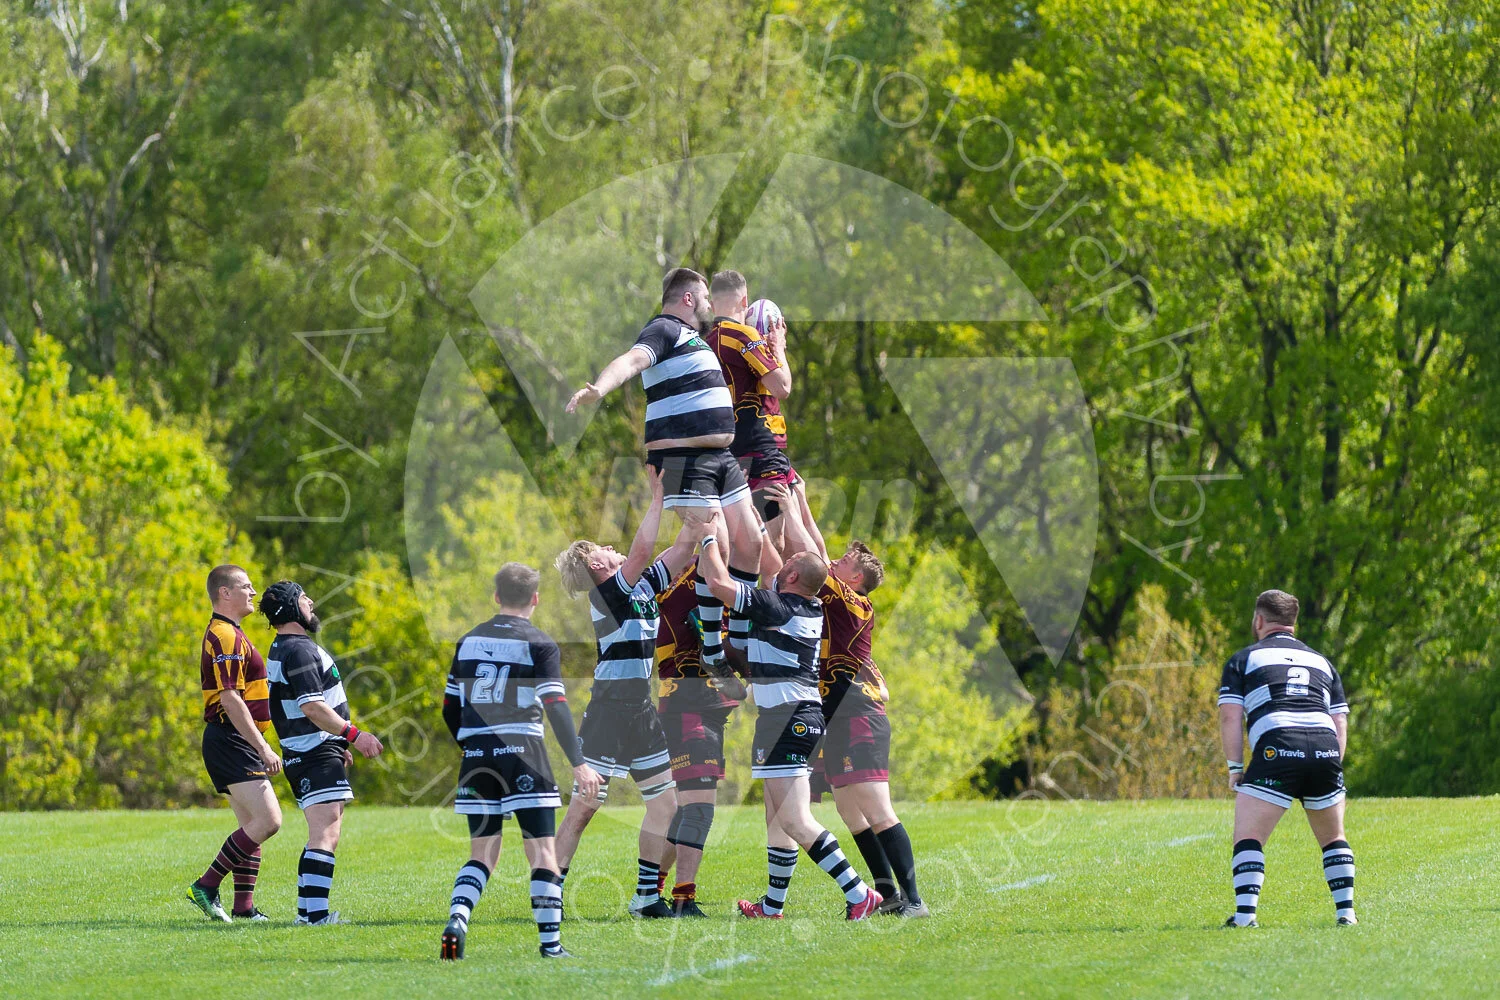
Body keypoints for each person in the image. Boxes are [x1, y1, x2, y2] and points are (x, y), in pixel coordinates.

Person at [564, 267, 766, 682]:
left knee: (752, 545)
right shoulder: (665, 329)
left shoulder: (695, 340)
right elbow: (633, 360)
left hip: (722, 456)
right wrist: (600, 389)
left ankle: (738, 643)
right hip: (684, 459)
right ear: (688, 299)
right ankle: (713, 649)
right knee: (718, 548)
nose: (710, 306)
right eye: (706, 298)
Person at [694, 510, 882, 921]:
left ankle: (858, 894)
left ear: (794, 577)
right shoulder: (801, 607)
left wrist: (707, 538)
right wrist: (759, 522)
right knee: (778, 817)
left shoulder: (776, 606)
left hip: (788, 718)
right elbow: (768, 565)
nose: (779, 567)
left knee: (795, 819)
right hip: (792, 717)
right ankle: (772, 906)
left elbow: (719, 584)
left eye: (787, 566)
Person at [765, 484, 926, 916]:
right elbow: (816, 547)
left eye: (844, 564)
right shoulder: (840, 594)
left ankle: (915, 900)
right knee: (848, 808)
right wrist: (797, 501)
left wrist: (791, 504)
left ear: (855, 579)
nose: (835, 564)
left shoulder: (852, 602)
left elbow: (810, 550)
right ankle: (886, 892)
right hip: (834, 713)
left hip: (858, 711)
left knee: (876, 806)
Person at [552, 468, 698, 918]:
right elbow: (641, 549)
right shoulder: (607, 595)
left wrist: (700, 510)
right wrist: (657, 497)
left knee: (666, 804)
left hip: (640, 712)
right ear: (597, 566)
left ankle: (644, 897)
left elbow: (681, 550)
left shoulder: (637, 590)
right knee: (584, 808)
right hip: (609, 712)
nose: (611, 548)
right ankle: (548, 892)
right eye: (602, 549)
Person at [439, 563, 603, 960]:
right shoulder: (541, 643)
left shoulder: (467, 642)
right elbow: (556, 706)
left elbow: (449, 709)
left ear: (496, 597)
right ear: (535, 599)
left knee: (482, 855)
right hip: (524, 755)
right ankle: (551, 946)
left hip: (477, 756)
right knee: (542, 853)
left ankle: (459, 917)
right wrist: (579, 763)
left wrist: (472, 745)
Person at [1218, 589, 1356, 928]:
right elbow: (1340, 720)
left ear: (1259, 620)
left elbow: (1229, 717)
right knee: (1333, 836)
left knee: (1248, 835)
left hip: (1278, 744)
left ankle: (1246, 916)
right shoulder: (1323, 662)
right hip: (1325, 748)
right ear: (1294, 624)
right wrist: (1331, 764)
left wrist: (1236, 768)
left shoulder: (1243, 659)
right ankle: (1346, 913)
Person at [261, 580, 384, 925]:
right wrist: (353, 734)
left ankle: (307, 913)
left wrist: (338, 742)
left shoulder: (286, 646)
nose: (311, 602)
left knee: (322, 832)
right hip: (313, 752)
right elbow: (312, 707)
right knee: (325, 834)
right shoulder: (298, 649)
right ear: (289, 609)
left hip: (313, 749)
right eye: (303, 599)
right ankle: (315, 916)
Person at [652, 555, 748, 916]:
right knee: (699, 811)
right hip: (686, 710)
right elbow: (714, 543)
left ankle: (648, 890)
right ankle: (682, 898)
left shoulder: (695, 592)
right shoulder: (681, 591)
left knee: (686, 811)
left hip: (701, 710)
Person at [186, 564, 282, 923]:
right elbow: (230, 699)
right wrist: (263, 748)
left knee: (252, 824)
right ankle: (206, 885)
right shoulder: (224, 635)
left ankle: (244, 909)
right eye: (246, 586)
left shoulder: (232, 633)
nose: (253, 593)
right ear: (225, 593)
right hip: (230, 737)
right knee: (269, 820)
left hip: (230, 738)